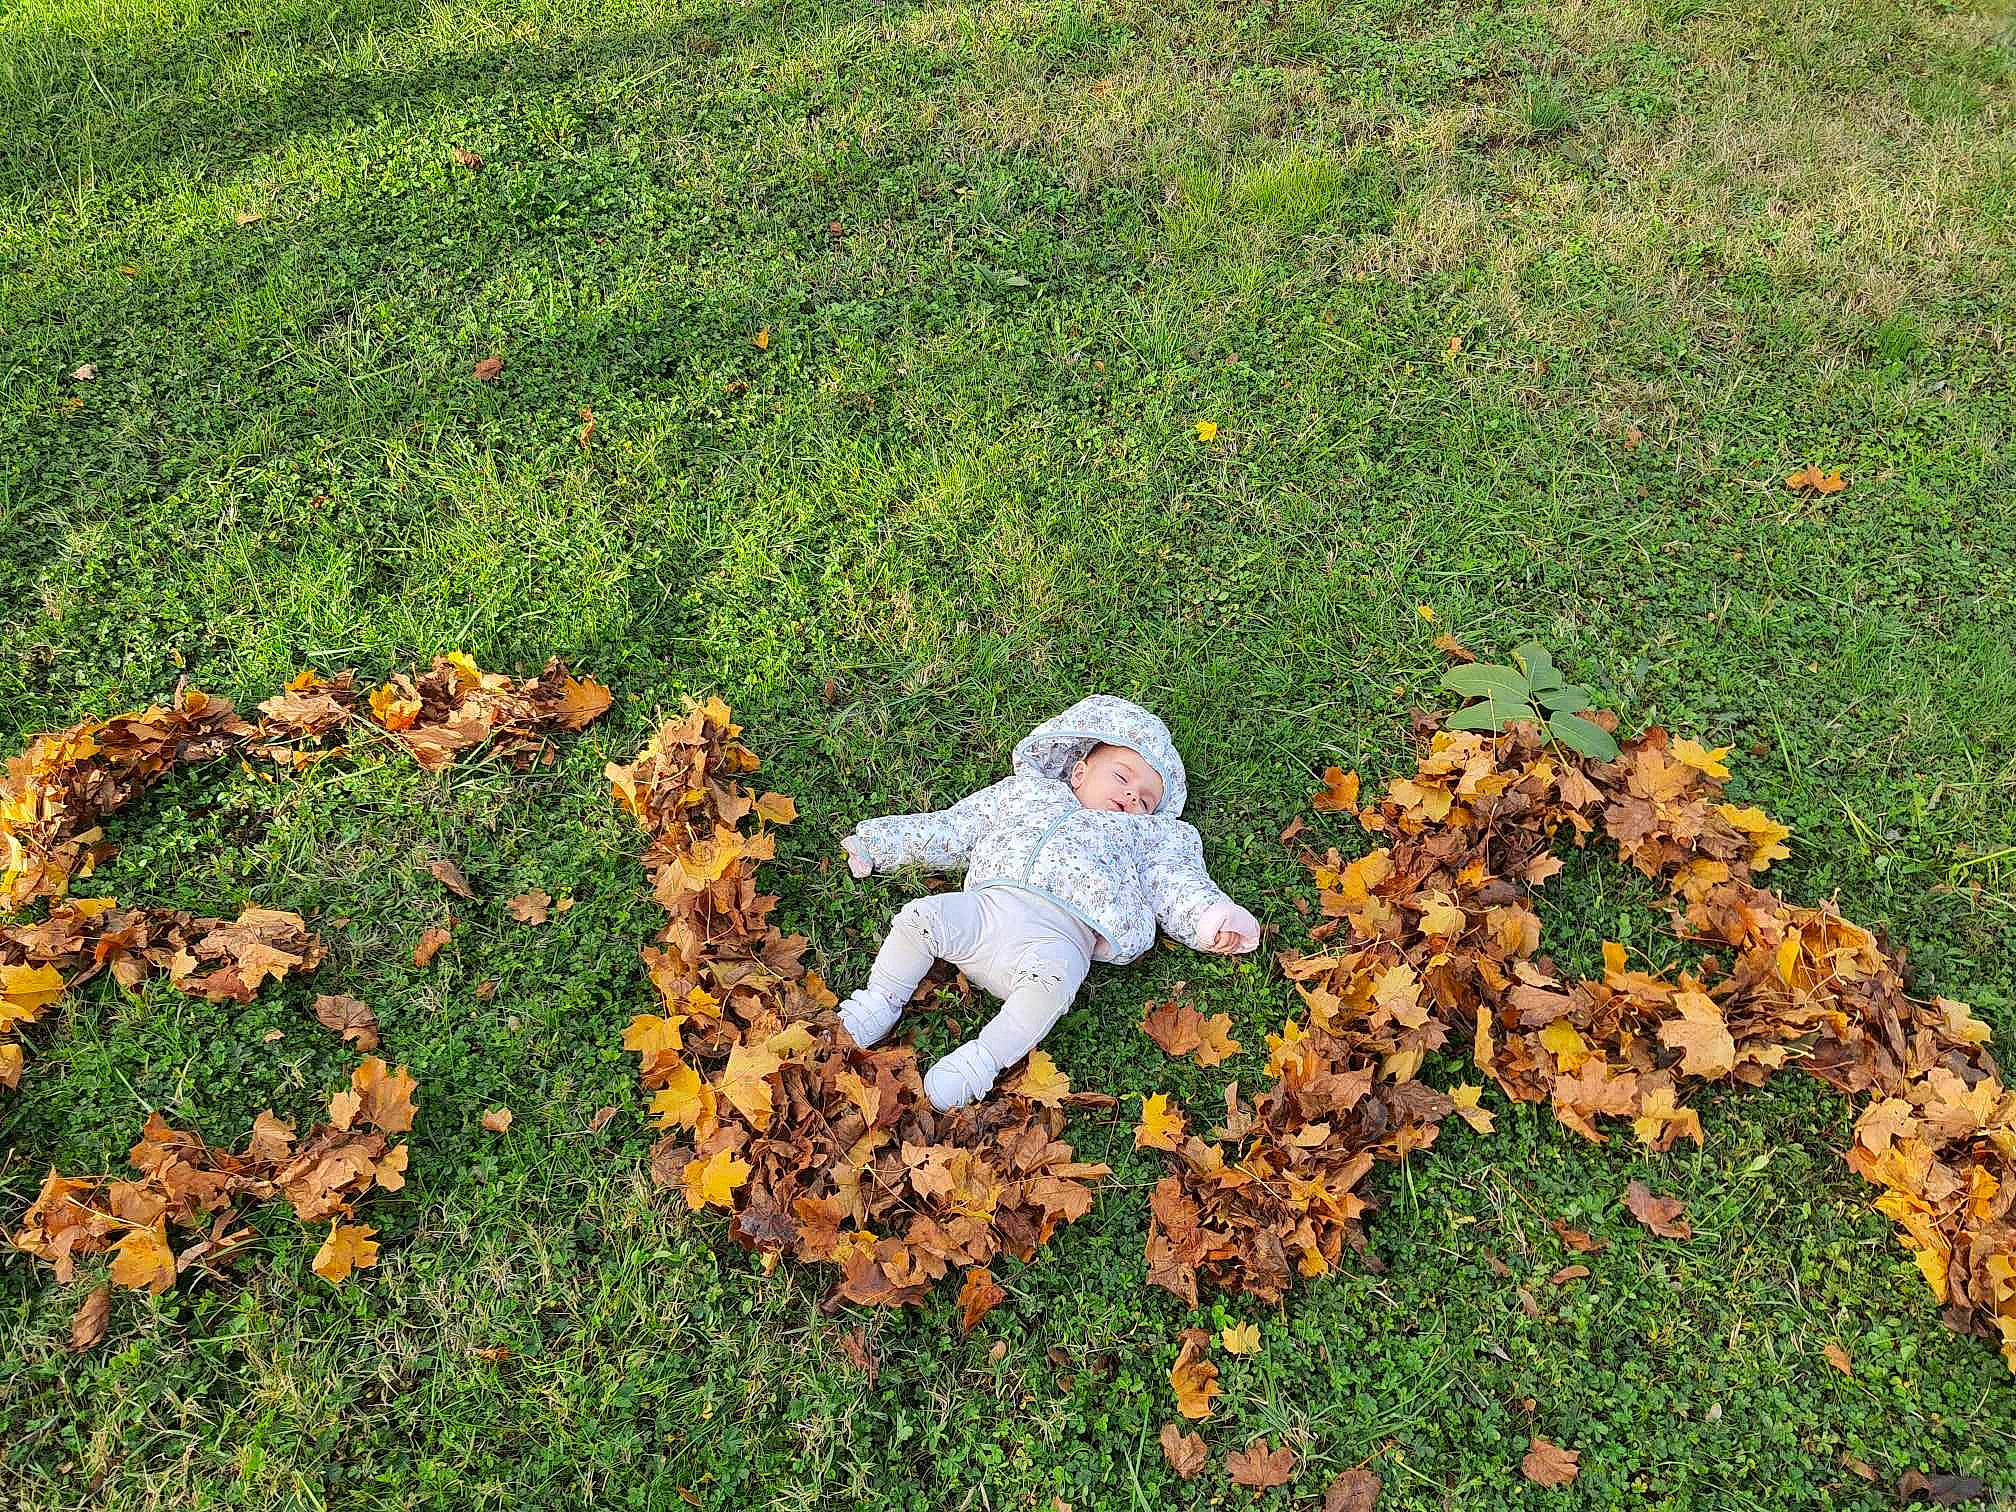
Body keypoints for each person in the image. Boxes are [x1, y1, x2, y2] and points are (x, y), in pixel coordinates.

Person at [836, 694, 1261, 1110]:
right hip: (989, 909)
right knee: (920, 918)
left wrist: (1211, 919)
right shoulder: (1027, 794)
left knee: (1050, 991)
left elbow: (1176, 880)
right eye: (1122, 777)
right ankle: (881, 1000)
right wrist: (880, 844)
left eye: (1146, 800)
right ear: (1079, 772)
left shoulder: (1147, 836)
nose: (1133, 797)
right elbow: (956, 826)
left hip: (1059, 940)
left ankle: (981, 1060)